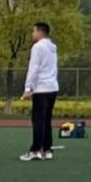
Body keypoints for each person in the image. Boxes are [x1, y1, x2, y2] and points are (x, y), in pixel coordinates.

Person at [19, 22, 59, 162]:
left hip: (41, 88)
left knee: (38, 121)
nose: (32, 34)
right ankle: (47, 149)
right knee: (47, 120)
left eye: (34, 31)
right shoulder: (53, 47)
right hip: (52, 88)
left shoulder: (38, 47)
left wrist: (28, 88)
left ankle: (35, 150)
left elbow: (34, 68)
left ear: (40, 32)